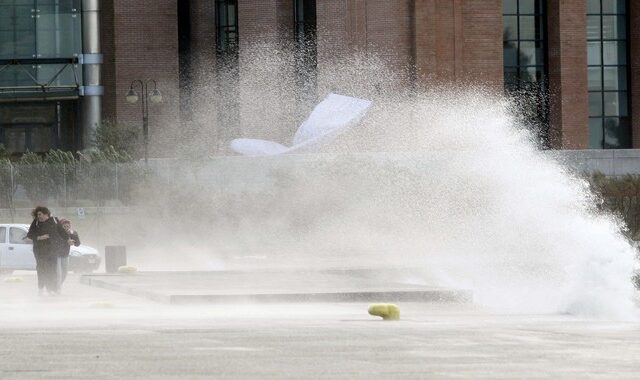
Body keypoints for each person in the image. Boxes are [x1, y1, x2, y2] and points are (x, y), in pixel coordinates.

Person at [26, 206, 67, 295]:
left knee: (52, 269)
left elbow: (62, 232)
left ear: (46, 214)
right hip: (39, 251)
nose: (38, 216)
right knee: (41, 269)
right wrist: (39, 237)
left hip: (52, 250)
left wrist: (68, 240)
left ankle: (51, 289)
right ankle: (41, 288)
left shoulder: (55, 221)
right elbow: (29, 235)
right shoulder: (36, 222)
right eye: (37, 215)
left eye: (40, 214)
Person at [58, 219, 80, 285]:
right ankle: (56, 286)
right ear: (61, 227)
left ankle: (59, 285)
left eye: (68, 226)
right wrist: (67, 241)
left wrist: (74, 236)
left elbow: (77, 244)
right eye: (64, 226)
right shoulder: (58, 233)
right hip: (56, 255)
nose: (66, 228)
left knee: (64, 272)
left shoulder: (70, 233)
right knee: (58, 272)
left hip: (65, 255)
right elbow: (57, 242)